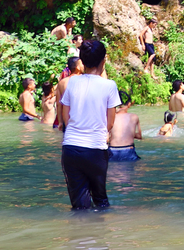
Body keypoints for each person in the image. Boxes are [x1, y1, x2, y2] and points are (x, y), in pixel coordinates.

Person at [60, 39, 121, 209]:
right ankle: (100, 233)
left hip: (71, 148)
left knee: (80, 205)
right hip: (95, 149)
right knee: (100, 200)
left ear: (82, 61)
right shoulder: (109, 85)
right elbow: (110, 123)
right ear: (104, 60)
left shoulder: (71, 83)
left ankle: (81, 233)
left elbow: (66, 117)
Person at [108, 92, 142, 161]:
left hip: (112, 150)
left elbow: (107, 137)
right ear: (129, 104)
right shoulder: (134, 117)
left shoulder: (110, 117)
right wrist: (129, 133)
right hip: (128, 149)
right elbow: (139, 136)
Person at [56, 57, 83, 129]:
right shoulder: (83, 80)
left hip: (66, 118)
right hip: (80, 119)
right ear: (78, 67)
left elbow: (59, 104)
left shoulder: (62, 82)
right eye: (82, 64)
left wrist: (60, 121)